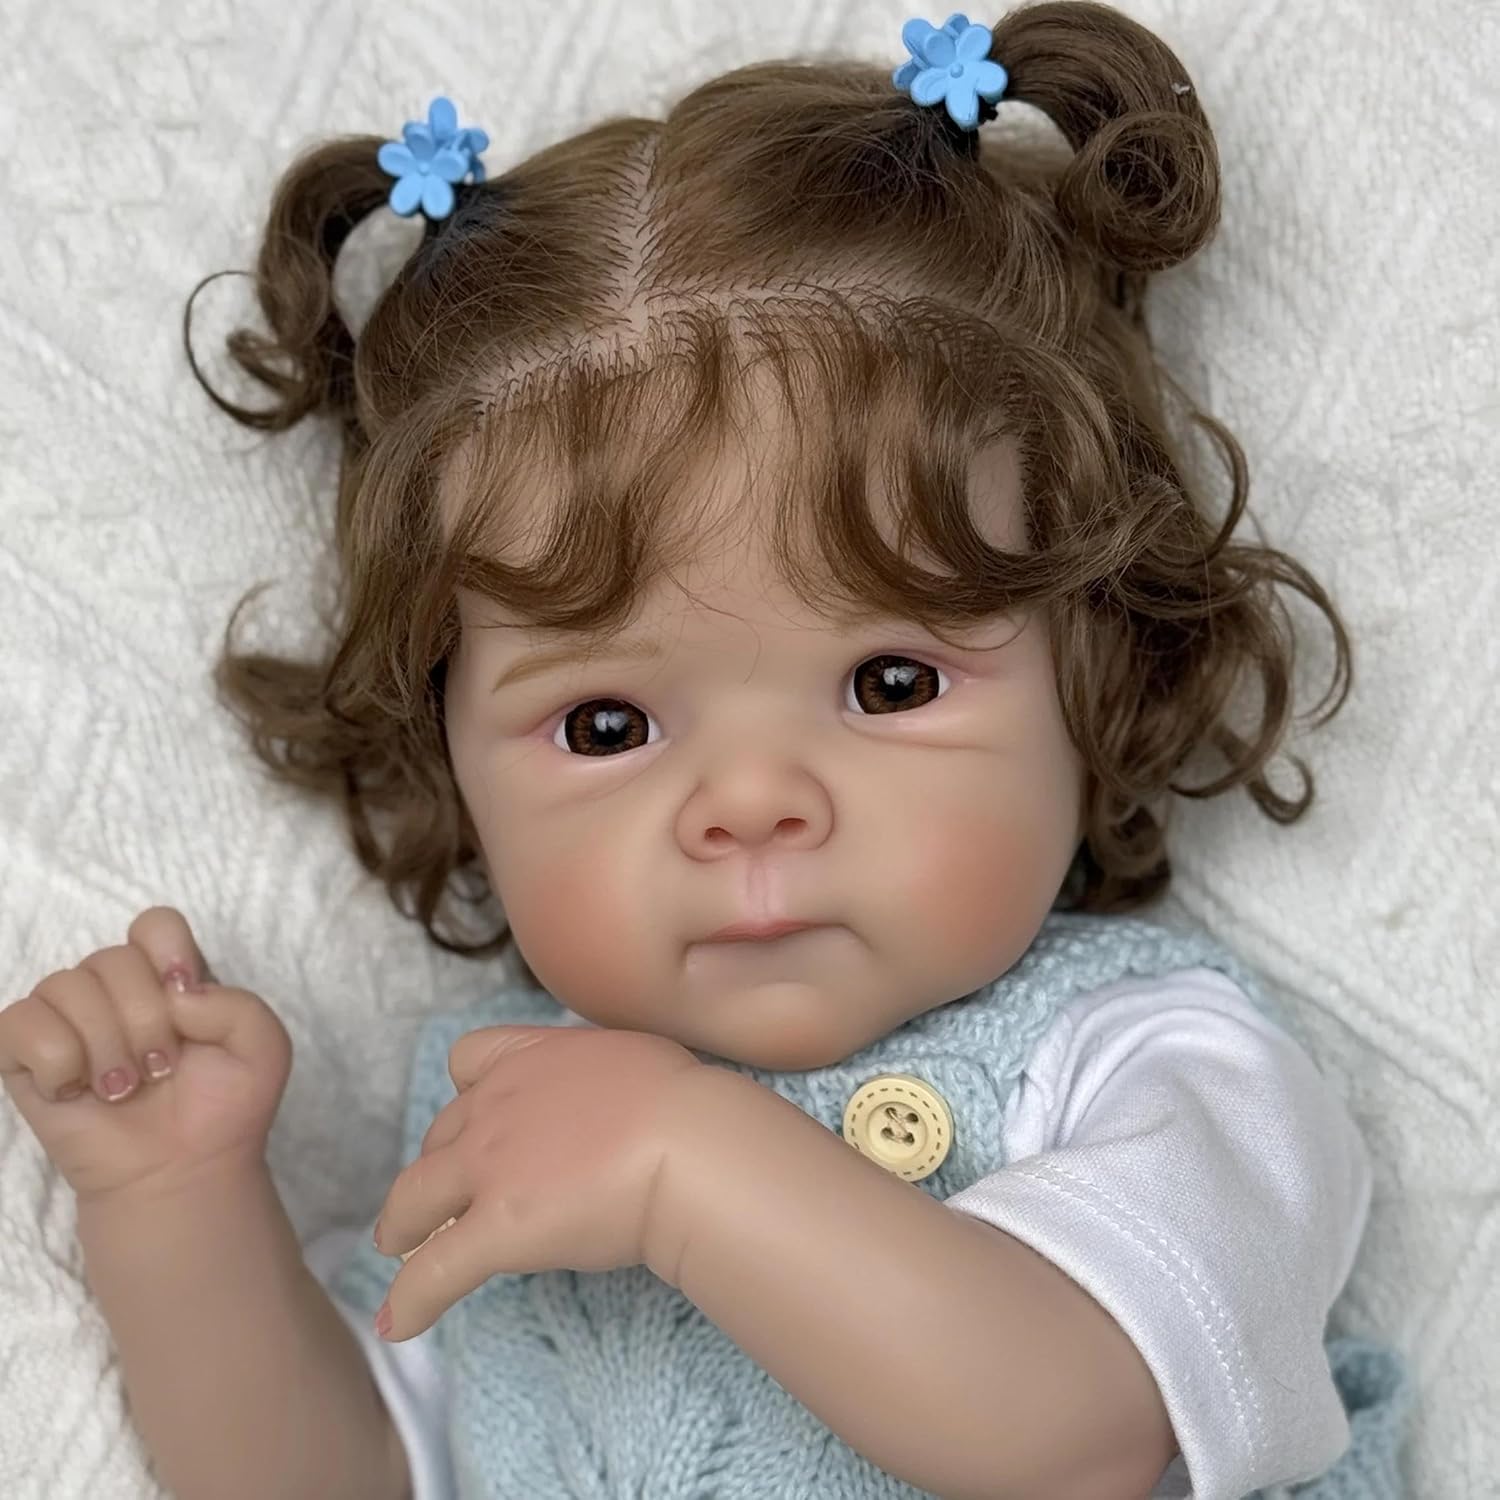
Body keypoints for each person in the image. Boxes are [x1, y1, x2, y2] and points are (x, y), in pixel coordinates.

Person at [0, 5, 1414, 1497]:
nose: (749, 804)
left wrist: (683, 1167)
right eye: (606, 726)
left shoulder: (1157, 1067)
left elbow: (1078, 1428)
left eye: (888, 682)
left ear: (1095, 667)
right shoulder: (505, 1118)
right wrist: (177, 1202)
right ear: (450, 759)